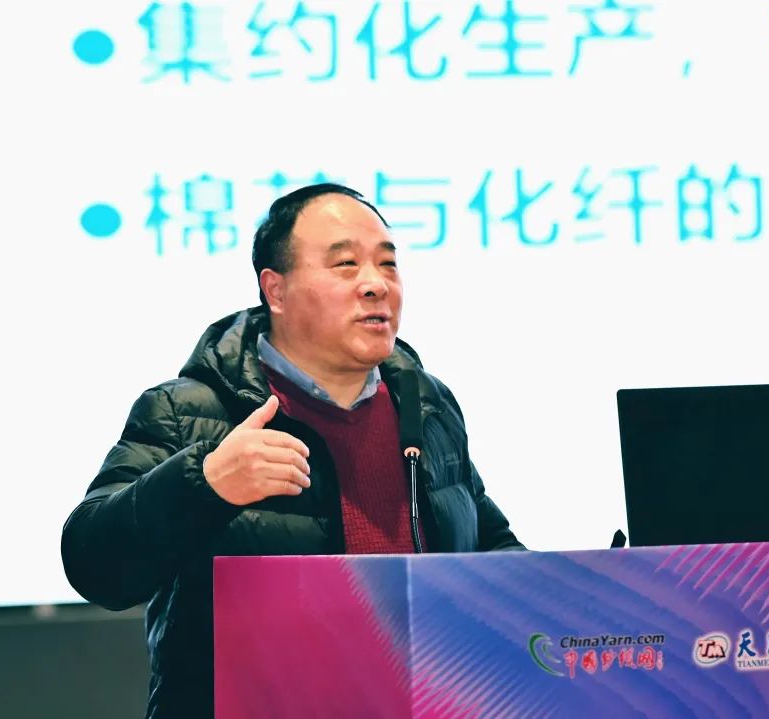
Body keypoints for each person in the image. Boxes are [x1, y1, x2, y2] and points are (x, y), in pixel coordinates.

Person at [61, 183, 524, 718]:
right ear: (275, 291)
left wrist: (572, 602)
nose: (376, 285)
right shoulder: (188, 411)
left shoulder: (425, 404)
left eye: (388, 264)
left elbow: (487, 546)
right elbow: (94, 565)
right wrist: (203, 483)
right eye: (346, 265)